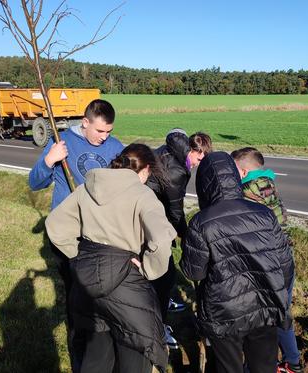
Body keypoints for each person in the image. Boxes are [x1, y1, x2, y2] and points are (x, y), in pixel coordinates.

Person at [45, 144, 177, 373]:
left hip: (86, 284)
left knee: (95, 358)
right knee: (134, 358)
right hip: (127, 283)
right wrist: (148, 269)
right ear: (145, 169)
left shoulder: (86, 188)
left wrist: (78, 256)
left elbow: (54, 226)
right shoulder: (143, 195)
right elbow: (161, 239)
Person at [28, 98, 123, 369]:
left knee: (102, 296)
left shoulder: (115, 148)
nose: (104, 138)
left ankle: (102, 347)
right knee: (76, 299)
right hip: (70, 235)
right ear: (85, 122)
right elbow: (35, 183)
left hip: (102, 235)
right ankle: (79, 351)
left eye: (109, 131)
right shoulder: (63, 142)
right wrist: (49, 159)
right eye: (99, 131)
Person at [181, 152, 294, 373]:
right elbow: (285, 263)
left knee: (229, 367)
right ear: (234, 177)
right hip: (264, 306)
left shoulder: (201, 222)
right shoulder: (264, 213)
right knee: (264, 366)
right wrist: (278, 296)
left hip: (224, 314)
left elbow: (193, 272)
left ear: (204, 184)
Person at [231, 147, 302, 373]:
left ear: (242, 171)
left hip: (266, 264)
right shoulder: (268, 185)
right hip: (284, 259)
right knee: (282, 312)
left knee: (262, 320)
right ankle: (292, 362)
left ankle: (258, 366)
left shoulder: (246, 192)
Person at [146, 128, 212, 350]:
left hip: (151, 210)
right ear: (190, 150)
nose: (199, 162)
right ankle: (157, 327)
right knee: (163, 276)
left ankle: (160, 303)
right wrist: (183, 235)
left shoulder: (172, 152)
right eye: (198, 157)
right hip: (148, 216)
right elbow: (176, 211)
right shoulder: (177, 171)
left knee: (165, 271)